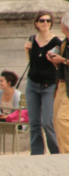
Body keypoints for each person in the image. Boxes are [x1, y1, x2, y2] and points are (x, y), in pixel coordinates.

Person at [24, 11, 61, 155]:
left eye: (48, 20)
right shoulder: (32, 39)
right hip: (32, 85)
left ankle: (55, 152)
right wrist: (26, 51)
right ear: (36, 24)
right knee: (34, 123)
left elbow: (56, 64)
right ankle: (37, 154)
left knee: (47, 122)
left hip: (49, 85)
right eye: (42, 20)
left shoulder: (56, 42)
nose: (45, 23)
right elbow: (32, 63)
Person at [48, 13, 69, 153]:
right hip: (61, 85)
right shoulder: (64, 43)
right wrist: (54, 60)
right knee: (56, 120)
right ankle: (63, 154)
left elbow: (65, 62)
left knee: (62, 119)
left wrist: (64, 61)